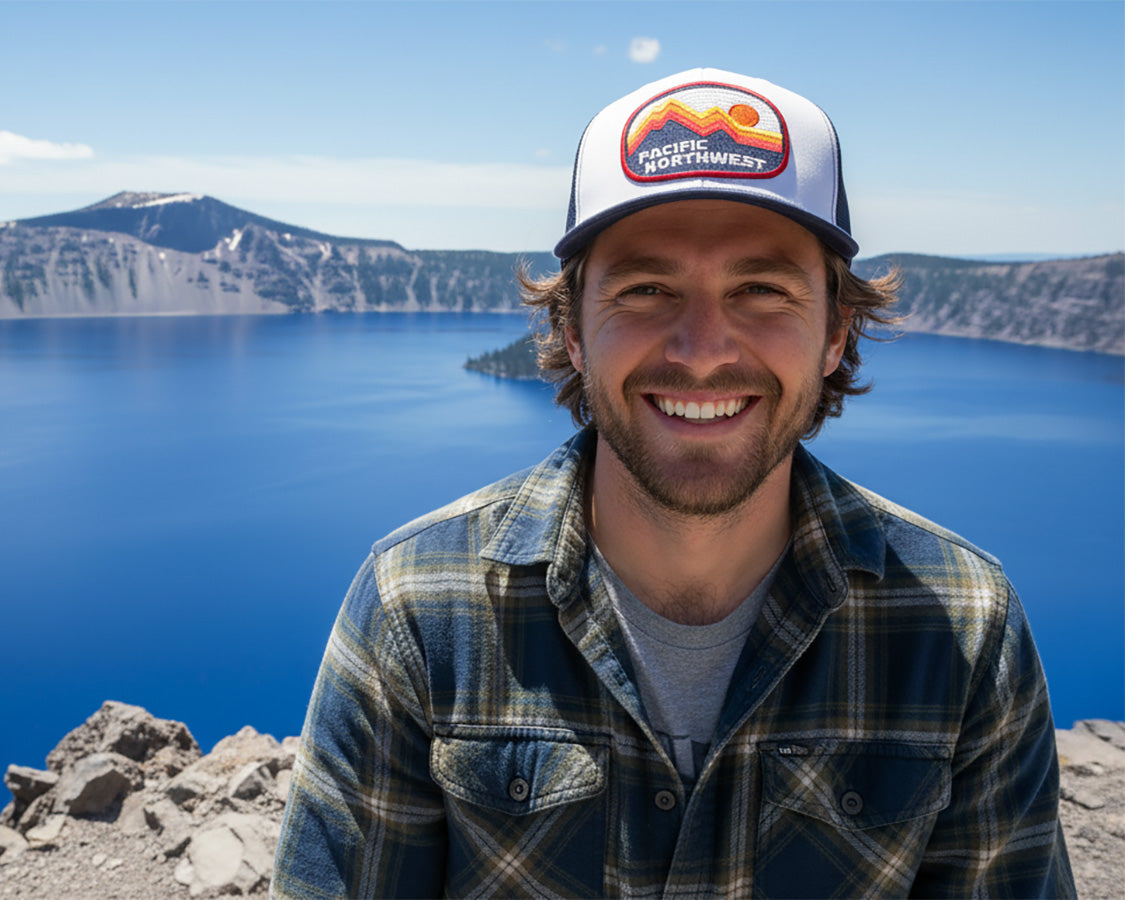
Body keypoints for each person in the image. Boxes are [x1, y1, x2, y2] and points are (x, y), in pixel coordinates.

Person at [272, 69, 1074, 898]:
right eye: (645, 289)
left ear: (834, 334)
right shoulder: (418, 604)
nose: (699, 350)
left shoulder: (962, 624)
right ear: (573, 331)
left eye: (760, 289)